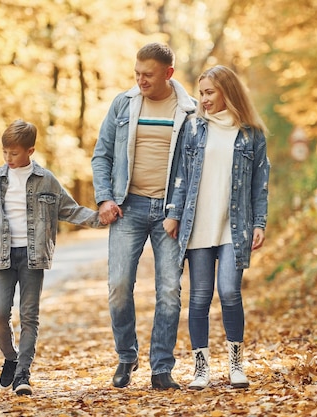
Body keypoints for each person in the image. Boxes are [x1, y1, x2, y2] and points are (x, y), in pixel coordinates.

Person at [91, 42, 197, 390]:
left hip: (169, 213)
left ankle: (162, 367)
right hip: (127, 208)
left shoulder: (188, 111)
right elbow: (101, 154)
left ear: (169, 73)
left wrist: (180, 211)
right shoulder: (123, 104)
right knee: (119, 287)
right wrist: (105, 198)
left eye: (148, 75)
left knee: (169, 290)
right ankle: (126, 356)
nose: (140, 80)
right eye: (137, 73)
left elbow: (193, 168)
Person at [0, 119, 106, 396]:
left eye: (15, 153)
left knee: (29, 316)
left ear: (30, 150)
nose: (9, 158)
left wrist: (99, 218)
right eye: (5, 152)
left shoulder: (46, 180)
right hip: (2, 256)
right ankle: (10, 357)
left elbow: (70, 209)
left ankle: (23, 373)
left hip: (33, 258)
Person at [163, 65, 270, 390]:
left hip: (234, 225)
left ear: (228, 92)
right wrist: (174, 212)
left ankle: (236, 364)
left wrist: (259, 223)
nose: (204, 99)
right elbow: (181, 176)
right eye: (202, 93)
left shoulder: (251, 134)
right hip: (198, 224)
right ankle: (201, 369)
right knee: (199, 297)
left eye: (210, 92)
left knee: (228, 291)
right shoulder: (194, 129)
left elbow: (260, 185)